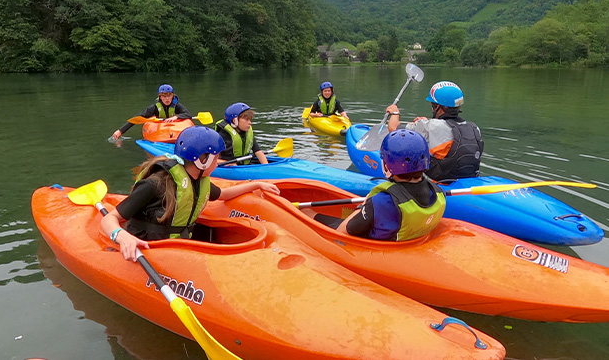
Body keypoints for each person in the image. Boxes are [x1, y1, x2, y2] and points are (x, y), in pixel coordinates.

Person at [100, 126, 280, 261]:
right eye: (215, 158)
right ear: (202, 160)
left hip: (178, 247)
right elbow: (109, 219)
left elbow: (224, 194)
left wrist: (255, 185)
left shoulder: (197, 181)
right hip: (149, 249)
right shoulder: (155, 184)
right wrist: (121, 236)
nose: (218, 162)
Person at [304, 130, 446, 241]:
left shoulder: (382, 201)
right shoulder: (439, 192)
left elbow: (342, 232)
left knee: (308, 213)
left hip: (374, 246)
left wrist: (363, 206)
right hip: (406, 238)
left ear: (387, 166)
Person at [386, 81, 483, 181]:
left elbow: (394, 128)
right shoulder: (474, 128)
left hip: (441, 181)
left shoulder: (431, 126)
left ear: (437, 107)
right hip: (469, 179)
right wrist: (426, 123)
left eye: (433, 105)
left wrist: (395, 112)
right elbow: (446, 130)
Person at [110, 84, 192, 142]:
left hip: (175, 129)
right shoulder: (155, 108)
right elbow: (137, 118)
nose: (167, 99)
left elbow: (188, 114)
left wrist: (176, 117)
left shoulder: (176, 105)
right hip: (160, 130)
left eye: (169, 96)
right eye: (164, 96)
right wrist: (120, 131)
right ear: (160, 97)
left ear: (173, 96)